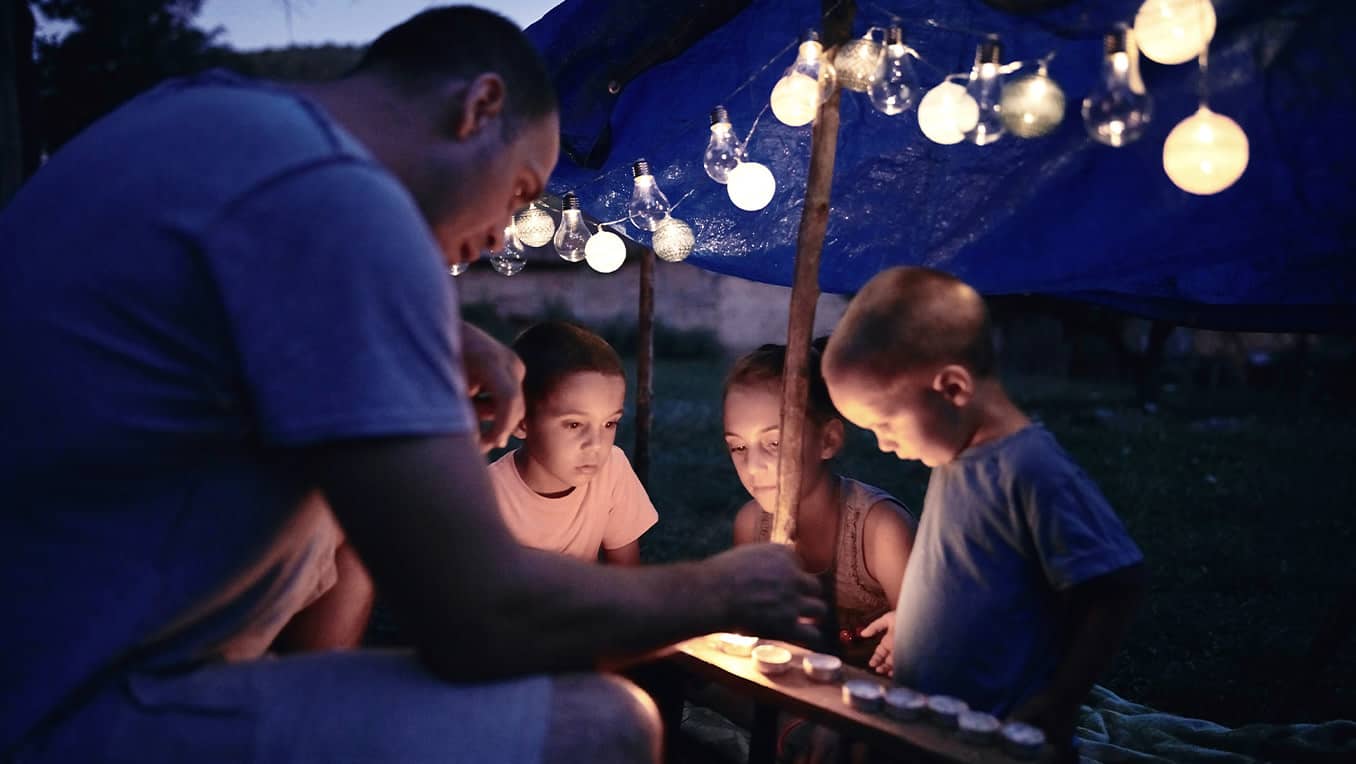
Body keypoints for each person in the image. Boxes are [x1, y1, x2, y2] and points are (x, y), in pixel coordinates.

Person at [0, 7, 825, 763]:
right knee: (603, 724)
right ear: (478, 108)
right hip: (82, 708)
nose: (506, 232)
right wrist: (725, 586)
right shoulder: (343, 203)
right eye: (521, 191)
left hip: (47, 652)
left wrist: (442, 335)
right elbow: (478, 619)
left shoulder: (195, 122)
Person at [821, 266, 1146, 761]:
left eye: (885, 422)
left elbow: (1115, 585)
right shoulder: (954, 456)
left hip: (1000, 739)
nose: (883, 444)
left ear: (952, 388)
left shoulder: (1031, 469)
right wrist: (914, 621)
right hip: (937, 729)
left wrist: (1059, 700)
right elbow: (977, 568)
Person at [724, 343, 916, 666]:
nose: (752, 467)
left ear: (828, 440)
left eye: (773, 443)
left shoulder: (880, 532)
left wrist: (909, 635)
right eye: (738, 447)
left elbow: (931, 643)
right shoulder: (751, 527)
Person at [489, 321, 657, 564]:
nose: (596, 445)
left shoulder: (612, 468)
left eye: (609, 424)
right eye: (574, 425)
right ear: (521, 422)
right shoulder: (488, 495)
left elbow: (626, 575)